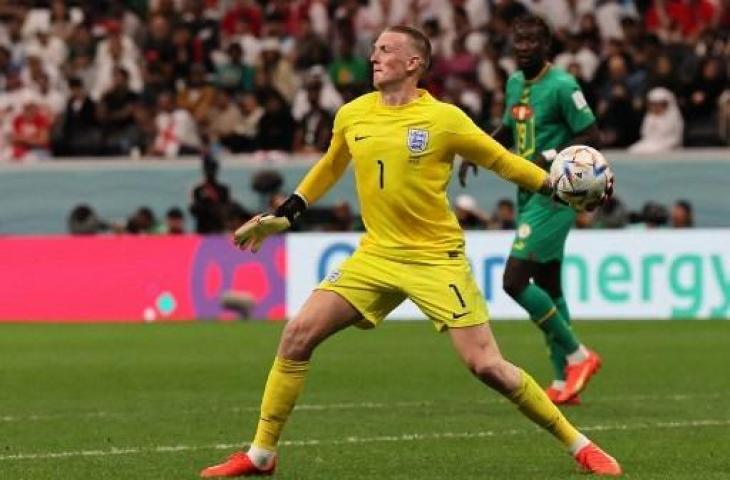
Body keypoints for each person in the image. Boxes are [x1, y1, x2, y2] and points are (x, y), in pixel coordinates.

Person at [201, 26, 620, 478]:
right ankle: (262, 455)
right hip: (376, 255)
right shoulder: (352, 114)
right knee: (297, 335)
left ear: (414, 63)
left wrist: (553, 188)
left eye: (385, 49)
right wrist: (288, 212)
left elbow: (500, 160)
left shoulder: (445, 119)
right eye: (375, 48)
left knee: (488, 366)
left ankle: (581, 446)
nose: (374, 55)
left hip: (434, 258)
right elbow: (330, 165)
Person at [459, 15, 604, 406]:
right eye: (518, 40)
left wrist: (551, 156)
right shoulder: (514, 83)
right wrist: (479, 150)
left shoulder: (562, 85)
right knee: (550, 286)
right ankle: (562, 381)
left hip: (555, 194)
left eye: (531, 41)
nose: (523, 46)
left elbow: (591, 134)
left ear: (547, 45)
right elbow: (508, 129)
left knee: (514, 281)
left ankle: (579, 355)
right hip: (526, 193)